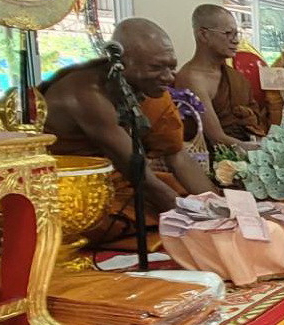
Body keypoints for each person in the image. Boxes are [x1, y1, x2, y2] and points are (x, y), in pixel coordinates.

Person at [42, 18, 215, 242]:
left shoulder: (149, 89)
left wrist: (215, 203)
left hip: (123, 182)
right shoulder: (86, 94)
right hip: (73, 191)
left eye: (171, 66)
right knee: (121, 222)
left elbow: (177, 155)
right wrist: (202, 224)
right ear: (122, 63)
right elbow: (139, 174)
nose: (169, 77)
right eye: (156, 67)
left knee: (182, 196)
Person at [174, 4, 268, 146]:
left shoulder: (234, 77)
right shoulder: (192, 78)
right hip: (212, 159)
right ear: (204, 35)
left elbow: (255, 118)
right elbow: (217, 138)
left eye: (237, 34)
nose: (236, 40)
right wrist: (262, 150)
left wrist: (250, 119)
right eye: (228, 33)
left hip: (244, 150)